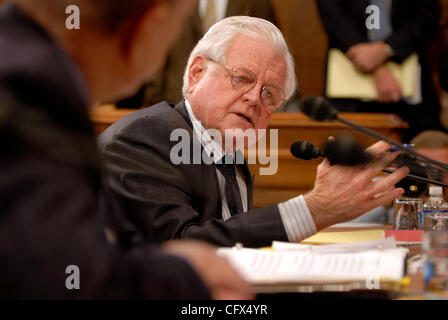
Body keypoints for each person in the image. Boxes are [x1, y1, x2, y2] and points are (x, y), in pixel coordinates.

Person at [0, 0, 252, 299]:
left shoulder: (25, 60)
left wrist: (173, 264)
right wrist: (186, 277)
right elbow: (71, 277)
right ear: (147, 28)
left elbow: (106, 240)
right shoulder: (32, 92)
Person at [98, 16, 409, 248]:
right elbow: (179, 249)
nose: (254, 99)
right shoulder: (145, 136)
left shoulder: (233, 161)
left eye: (270, 94)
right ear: (197, 73)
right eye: (242, 79)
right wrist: (313, 210)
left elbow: (234, 251)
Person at [316, 0, 442, 142]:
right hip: (349, 92)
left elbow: (428, 17)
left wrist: (387, 48)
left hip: (410, 89)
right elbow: (333, 15)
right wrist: (374, 66)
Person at [115, 0, 278, 109]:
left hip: (232, 115)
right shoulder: (174, 4)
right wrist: (156, 104)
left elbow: (271, 55)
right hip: (175, 108)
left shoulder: (256, 3)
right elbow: (161, 52)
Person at [352, 130, 448, 224]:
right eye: (427, 169)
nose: (434, 178)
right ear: (411, 165)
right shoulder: (385, 185)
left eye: (442, 170)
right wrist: (382, 204)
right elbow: (348, 225)